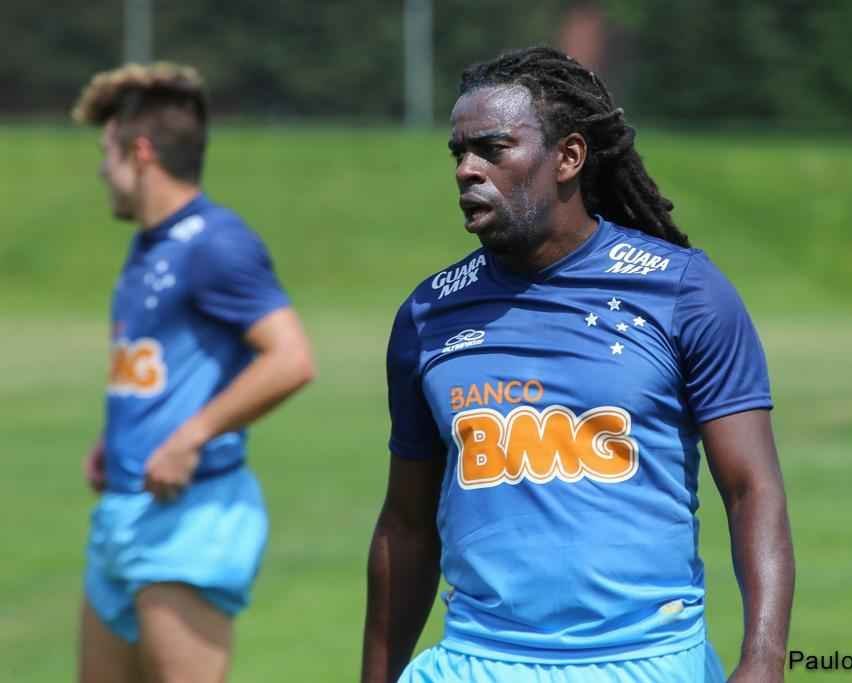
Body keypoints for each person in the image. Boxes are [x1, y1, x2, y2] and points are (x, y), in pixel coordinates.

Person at [362, 47, 794, 683]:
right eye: (459, 152)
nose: (466, 170)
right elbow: (405, 524)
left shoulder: (681, 291)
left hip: (644, 661)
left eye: (492, 148)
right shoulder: (428, 315)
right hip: (477, 661)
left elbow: (751, 488)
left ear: (568, 157)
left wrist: (762, 657)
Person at [72, 63, 315, 683]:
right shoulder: (150, 244)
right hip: (122, 517)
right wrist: (117, 440)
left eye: (107, 152)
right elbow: (161, 367)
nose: (102, 169)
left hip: (187, 519)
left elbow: (290, 358)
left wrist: (188, 437)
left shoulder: (216, 242)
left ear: (141, 151)